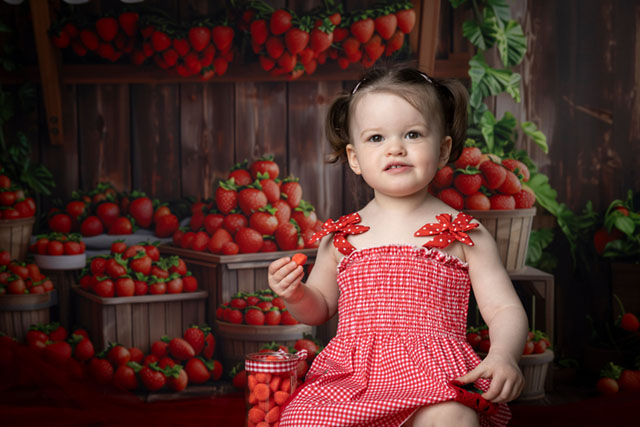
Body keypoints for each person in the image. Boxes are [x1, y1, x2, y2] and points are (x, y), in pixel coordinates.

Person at [268, 65, 529, 427]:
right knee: (300, 417)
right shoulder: (342, 237)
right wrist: (295, 294)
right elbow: (321, 307)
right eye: (376, 138)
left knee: (453, 417)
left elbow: (503, 309)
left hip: (435, 377)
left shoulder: (463, 234)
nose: (395, 148)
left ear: (442, 150)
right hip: (352, 380)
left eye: (412, 134)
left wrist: (503, 355)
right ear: (355, 158)